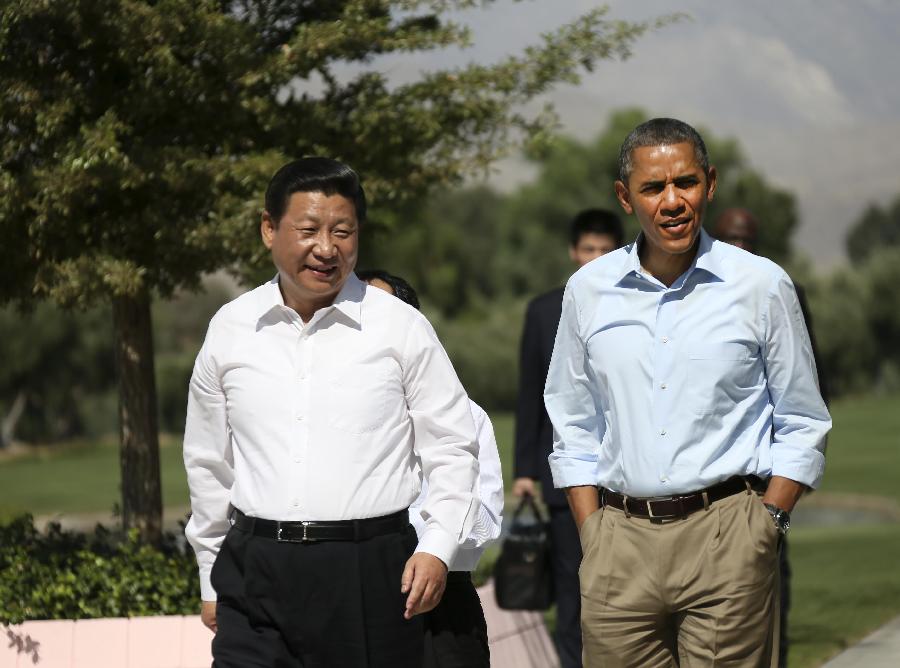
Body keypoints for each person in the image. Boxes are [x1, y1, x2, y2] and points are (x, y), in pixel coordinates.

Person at [545, 118, 831, 667]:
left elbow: (801, 419)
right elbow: (574, 422)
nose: (673, 201)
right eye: (654, 188)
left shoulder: (761, 284)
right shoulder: (588, 290)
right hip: (617, 542)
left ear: (711, 183)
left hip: (729, 536)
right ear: (625, 197)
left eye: (687, 183)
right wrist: (592, 533)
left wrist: (766, 526)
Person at [183, 158, 480, 667]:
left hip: (368, 573)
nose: (327, 248)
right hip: (256, 571)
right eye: (308, 230)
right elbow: (209, 463)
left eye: (342, 231)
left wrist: (437, 544)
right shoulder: (230, 328)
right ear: (268, 229)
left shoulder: (399, 327)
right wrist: (211, 572)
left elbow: (452, 444)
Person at [358, 269, 504, 668]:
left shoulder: (466, 417)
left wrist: (430, 546)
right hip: (353, 604)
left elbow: (486, 522)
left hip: (441, 604)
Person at [712, 207, 830, 668]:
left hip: (762, 479)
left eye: (746, 240)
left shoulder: (778, 288)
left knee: (770, 576)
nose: (739, 248)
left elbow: (805, 390)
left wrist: (786, 489)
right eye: (730, 239)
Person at [512, 209, 624, 668]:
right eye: (588, 249)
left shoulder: (634, 306)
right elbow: (530, 394)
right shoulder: (542, 311)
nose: (595, 257)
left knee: (625, 594)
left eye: (604, 249)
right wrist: (522, 471)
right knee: (572, 592)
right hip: (563, 480)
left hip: (626, 479)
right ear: (573, 252)